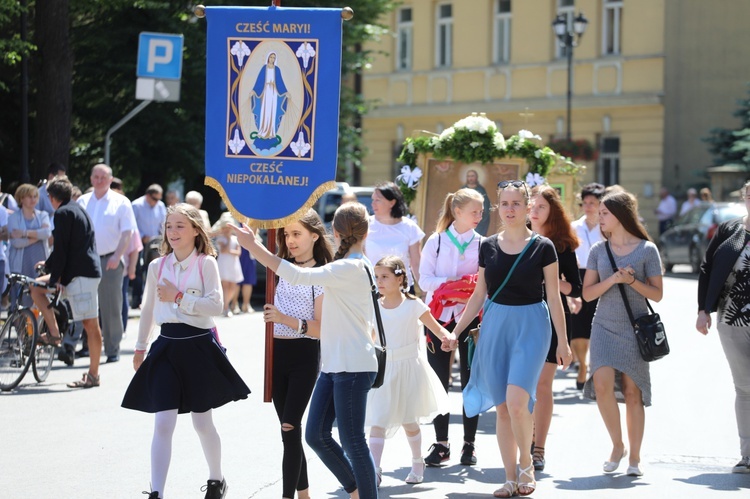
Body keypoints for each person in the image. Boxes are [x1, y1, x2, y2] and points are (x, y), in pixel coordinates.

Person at [231, 202, 380, 499]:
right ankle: (355, 488)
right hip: (334, 365)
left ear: (335, 233)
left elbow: (299, 276)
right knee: (315, 435)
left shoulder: (349, 267)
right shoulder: (343, 266)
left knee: (353, 442)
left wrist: (253, 246)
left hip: (353, 365)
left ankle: (364, 493)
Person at [451, 180, 571, 498]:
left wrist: (563, 341)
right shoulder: (487, 245)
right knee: (503, 407)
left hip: (532, 324)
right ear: (498, 207)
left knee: (518, 401)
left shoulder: (543, 247)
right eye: (504, 204)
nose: (510, 209)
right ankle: (508, 477)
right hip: (496, 325)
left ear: (527, 206)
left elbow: (555, 298)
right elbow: (479, 295)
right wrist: (456, 331)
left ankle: (526, 465)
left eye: (516, 203)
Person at [121, 203, 249, 499]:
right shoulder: (157, 266)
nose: (173, 231)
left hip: (198, 346)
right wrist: (140, 348)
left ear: (195, 230)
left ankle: (216, 480)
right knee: (163, 421)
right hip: (166, 346)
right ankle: (157, 492)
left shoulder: (206, 263)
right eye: (169, 226)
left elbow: (216, 306)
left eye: (180, 225)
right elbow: (149, 309)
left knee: (202, 422)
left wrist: (178, 297)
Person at [582, 190, 663, 477]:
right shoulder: (597, 251)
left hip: (635, 326)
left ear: (620, 215)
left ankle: (635, 458)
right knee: (602, 385)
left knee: (632, 392)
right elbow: (588, 294)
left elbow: (658, 294)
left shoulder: (646, 250)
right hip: (603, 325)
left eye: (604, 213)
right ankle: (617, 446)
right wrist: (614, 279)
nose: (599, 217)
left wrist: (631, 281)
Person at [367, 255, 455, 486]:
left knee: (409, 420)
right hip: (384, 369)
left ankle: (417, 461)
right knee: (378, 419)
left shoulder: (413, 305)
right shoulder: (374, 305)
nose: (380, 282)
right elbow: (371, 337)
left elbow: (436, 328)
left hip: (408, 368)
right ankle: (374, 470)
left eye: (385, 276)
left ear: (400, 278)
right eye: (377, 277)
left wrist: (447, 338)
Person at [264, 209, 332, 499]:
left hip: (304, 356)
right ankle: (303, 494)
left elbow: (320, 329)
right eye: (286, 234)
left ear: (314, 235)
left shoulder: (321, 274)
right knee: (288, 431)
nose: (289, 240)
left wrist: (283, 318)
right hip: (275, 354)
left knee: (290, 425)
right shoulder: (279, 267)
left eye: (296, 234)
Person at [418, 188, 484, 467]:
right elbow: (424, 281)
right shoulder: (436, 241)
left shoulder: (483, 243)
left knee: (471, 381)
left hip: (470, 320)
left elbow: (485, 285)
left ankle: (469, 444)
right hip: (439, 318)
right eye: (474, 211)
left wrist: (466, 288)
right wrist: (452, 285)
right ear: (457, 212)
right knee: (439, 381)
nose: (480, 216)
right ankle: (441, 443)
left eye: (482, 211)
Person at [696, 179, 750, 474]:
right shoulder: (730, 229)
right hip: (732, 319)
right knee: (745, 387)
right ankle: (748, 456)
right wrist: (703, 309)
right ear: (744, 197)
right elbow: (706, 268)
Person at [28, 176, 104, 388]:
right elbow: (65, 247)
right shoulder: (77, 210)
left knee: (90, 324)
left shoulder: (62, 213)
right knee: (35, 287)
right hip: (83, 271)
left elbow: (61, 247)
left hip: (80, 275)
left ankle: (93, 375)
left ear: (51, 197)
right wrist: (52, 268)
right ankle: (53, 332)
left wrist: (55, 276)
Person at [528, 185, 582, 472]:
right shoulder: (516, 238)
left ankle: (538, 447)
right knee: (521, 385)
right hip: (520, 317)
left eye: (541, 208)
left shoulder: (562, 244)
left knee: (542, 384)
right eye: (531, 207)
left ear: (552, 213)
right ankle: (525, 439)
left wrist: (551, 281)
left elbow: (575, 288)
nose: (534, 212)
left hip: (553, 317)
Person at [78, 163, 137, 363]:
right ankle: (85, 345)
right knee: (84, 303)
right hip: (86, 259)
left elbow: (127, 232)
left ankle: (112, 348)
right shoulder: (82, 201)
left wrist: (117, 255)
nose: (99, 180)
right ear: (91, 179)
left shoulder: (121, 202)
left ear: (111, 179)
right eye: (96, 176)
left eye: (103, 177)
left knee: (111, 307)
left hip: (110, 259)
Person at [570, 183, 606, 390]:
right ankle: (582, 365)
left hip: (601, 278)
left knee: (597, 322)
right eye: (585, 203)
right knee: (578, 324)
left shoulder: (606, 228)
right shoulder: (574, 227)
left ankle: (595, 365)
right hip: (579, 276)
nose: (588, 207)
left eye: (592, 203)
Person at [366, 181, 424, 290]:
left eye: (378, 200)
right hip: (373, 290)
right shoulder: (366, 225)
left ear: (392, 202)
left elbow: (416, 263)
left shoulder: (409, 227)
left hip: (403, 290)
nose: (373, 204)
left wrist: (425, 291)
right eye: (373, 199)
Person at [8, 183, 51, 306]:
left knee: (40, 299)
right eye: (29, 196)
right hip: (21, 264)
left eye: (35, 196)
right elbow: (16, 243)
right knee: (21, 299)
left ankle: (37, 325)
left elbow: (47, 233)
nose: (33, 199)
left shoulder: (43, 215)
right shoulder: (14, 218)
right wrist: (37, 237)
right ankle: (18, 325)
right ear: (21, 199)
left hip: (40, 263)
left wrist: (24, 233)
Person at [111, 178, 144, 332]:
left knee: (121, 296)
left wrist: (132, 268)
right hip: (105, 264)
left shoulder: (126, 215)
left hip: (121, 265)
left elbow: (135, 246)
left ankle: (121, 328)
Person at [131, 184, 167, 309]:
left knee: (155, 270)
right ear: (147, 195)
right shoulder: (136, 205)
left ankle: (153, 298)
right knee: (138, 271)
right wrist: (141, 236)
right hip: (140, 243)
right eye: (155, 199)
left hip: (156, 243)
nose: (157, 202)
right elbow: (131, 224)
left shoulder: (161, 206)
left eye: (159, 199)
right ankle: (137, 298)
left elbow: (163, 224)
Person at [252, 51, 289, 141]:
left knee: (272, 111)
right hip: (265, 92)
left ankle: (271, 132)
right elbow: (259, 81)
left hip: (274, 92)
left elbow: (280, 82)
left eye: (274, 58)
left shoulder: (277, 69)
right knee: (265, 110)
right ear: (268, 58)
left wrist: (285, 92)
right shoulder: (264, 68)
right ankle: (263, 131)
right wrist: (254, 90)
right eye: (271, 57)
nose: (272, 59)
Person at [215, 218, 243, 317]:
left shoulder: (236, 239)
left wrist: (231, 251)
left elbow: (238, 253)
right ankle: (225, 307)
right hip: (223, 264)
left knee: (233, 287)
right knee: (225, 286)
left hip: (233, 264)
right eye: (224, 229)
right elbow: (223, 250)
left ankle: (226, 304)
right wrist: (227, 239)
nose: (226, 231)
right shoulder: (220, 239)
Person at [463, 169, 492, 236]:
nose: (470, 178)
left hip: (479, 221)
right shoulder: (463, 189)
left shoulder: (481, 190)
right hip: (466, 219)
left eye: (472, 176)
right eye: (469, 176)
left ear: (476, 177)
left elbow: (486, 206)